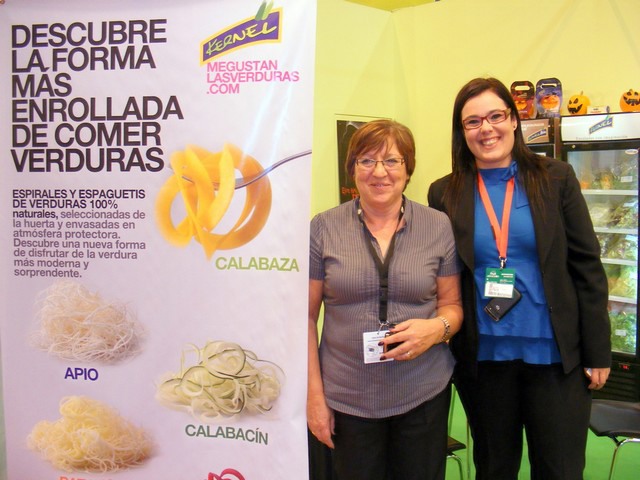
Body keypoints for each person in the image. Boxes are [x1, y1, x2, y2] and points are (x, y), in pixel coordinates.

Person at [427, 77, 611, 480]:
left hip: (555, 357)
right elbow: (444, 274)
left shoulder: (556, 178)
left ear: (514, 120)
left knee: (560, 469)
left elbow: (587, 267)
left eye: (496, 116)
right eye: (473, 121)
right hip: (484, 360)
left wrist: (598, 351)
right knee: (495, 467)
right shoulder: (444, 193)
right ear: (462, 131)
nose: (486, 129)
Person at [307, 119, 463, 480]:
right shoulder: (324, 227)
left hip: (422, 392)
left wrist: (436, 329)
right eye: (366, 160)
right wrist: (314, 397)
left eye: (392, 160)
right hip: (346, 398)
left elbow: (453, 307)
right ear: (353, 169)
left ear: (408, 169)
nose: (379, 172)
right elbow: (305, 318)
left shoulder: (437, 225)